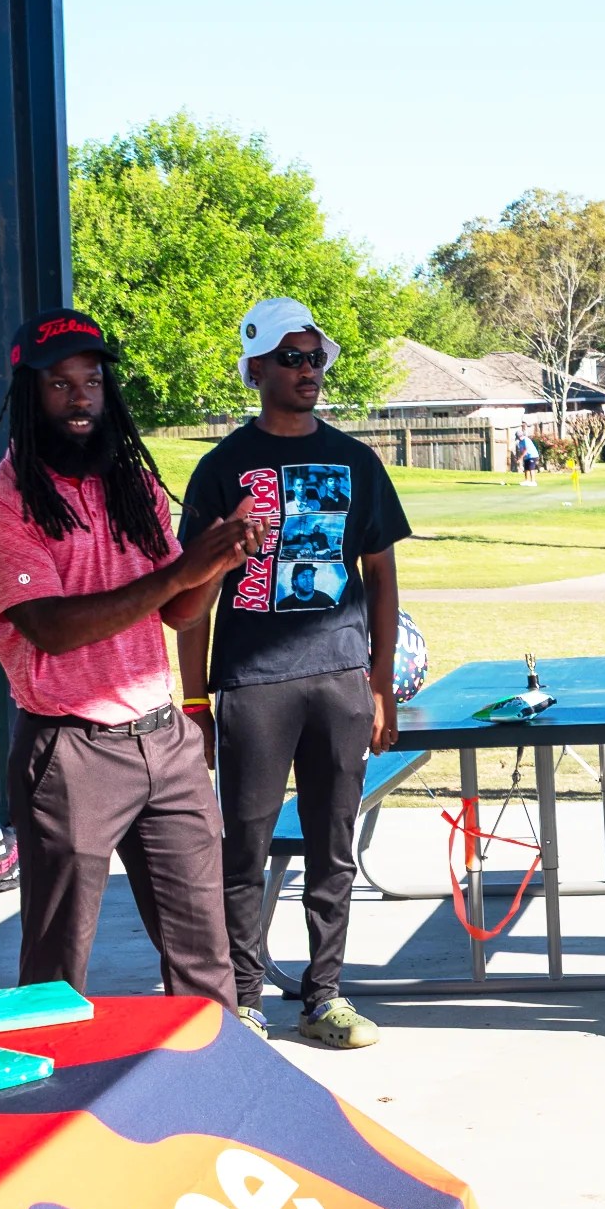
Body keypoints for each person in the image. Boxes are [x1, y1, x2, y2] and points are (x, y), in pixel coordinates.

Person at [0, 307, 266, 1020]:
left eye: (92, 381)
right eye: (60, 384)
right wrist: (180, 571)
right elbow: (53, 631)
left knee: (203, 957)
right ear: (27, 396)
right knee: (57, 966)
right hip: (72, 752)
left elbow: (179, 614)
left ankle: (211, 1098)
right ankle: (47, 1113)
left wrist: (218, 563)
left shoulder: (130, 483)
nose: (80, 399)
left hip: (164, 739)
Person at [178, 297, 411, 1048]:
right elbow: (191, 597)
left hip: (339, 675)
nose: (308, 371)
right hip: (251, 681)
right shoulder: (221, 470)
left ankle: (324, 997)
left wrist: (378, 681)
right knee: (242, 845)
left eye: (315, 358)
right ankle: (243, 998)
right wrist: (192, 700)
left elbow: (381, 576)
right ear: (254, 368)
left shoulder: (356, 460)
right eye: (291, 358)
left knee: (332, 844)